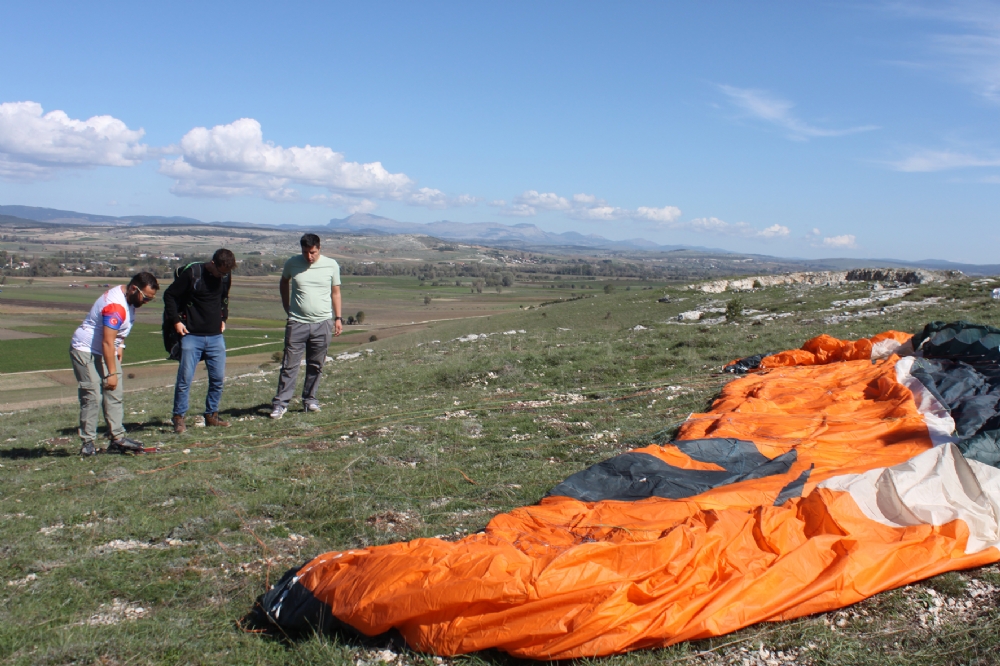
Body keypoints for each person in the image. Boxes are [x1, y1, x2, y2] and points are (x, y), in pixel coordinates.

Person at [70, 272, 160, 456]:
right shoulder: (116, 306)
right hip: (85, 350)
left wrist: (121, 346)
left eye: (151, 299)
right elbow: (107, 342)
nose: (146, 302)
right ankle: (88, 443)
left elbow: (119, 332)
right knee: (93, 394)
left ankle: (117, 438)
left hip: (107, 349)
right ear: (135, 289)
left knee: (114, 392)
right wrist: (111, 373)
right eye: (146, 298)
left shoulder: (129, 297)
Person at [270, 233, 342, 419]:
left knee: (316, 364)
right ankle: (280, 404)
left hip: (323, 322)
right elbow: (283, 282)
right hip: (297, 322)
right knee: (289, 365)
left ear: (319, 248)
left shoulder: (331, 265)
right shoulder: (292, 263)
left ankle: (309, 399)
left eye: (313, 252)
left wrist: (338, 318)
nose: (309, 257)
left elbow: (336, 292)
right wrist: (287, 306)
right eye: (305, 252)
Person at [163, 248, 236, 433]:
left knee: (218, 378)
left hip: (215, 336)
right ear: (212, 264)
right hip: (191, 336)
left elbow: (224, 298)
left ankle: (211, 415)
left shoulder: (225, 277)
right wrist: (176, 322)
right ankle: (179, 417)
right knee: (185, 379)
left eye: (226, 273)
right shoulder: (193, 274)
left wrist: (223, 319)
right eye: (220, 272)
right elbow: (169, 295)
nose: (222, 276)